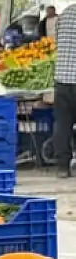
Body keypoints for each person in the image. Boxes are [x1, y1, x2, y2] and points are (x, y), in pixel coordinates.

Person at [54, 10, 76, 177]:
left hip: (62, 79)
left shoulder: (65, 14)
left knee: (62, 124)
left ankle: (63, 166)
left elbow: (57, 40)